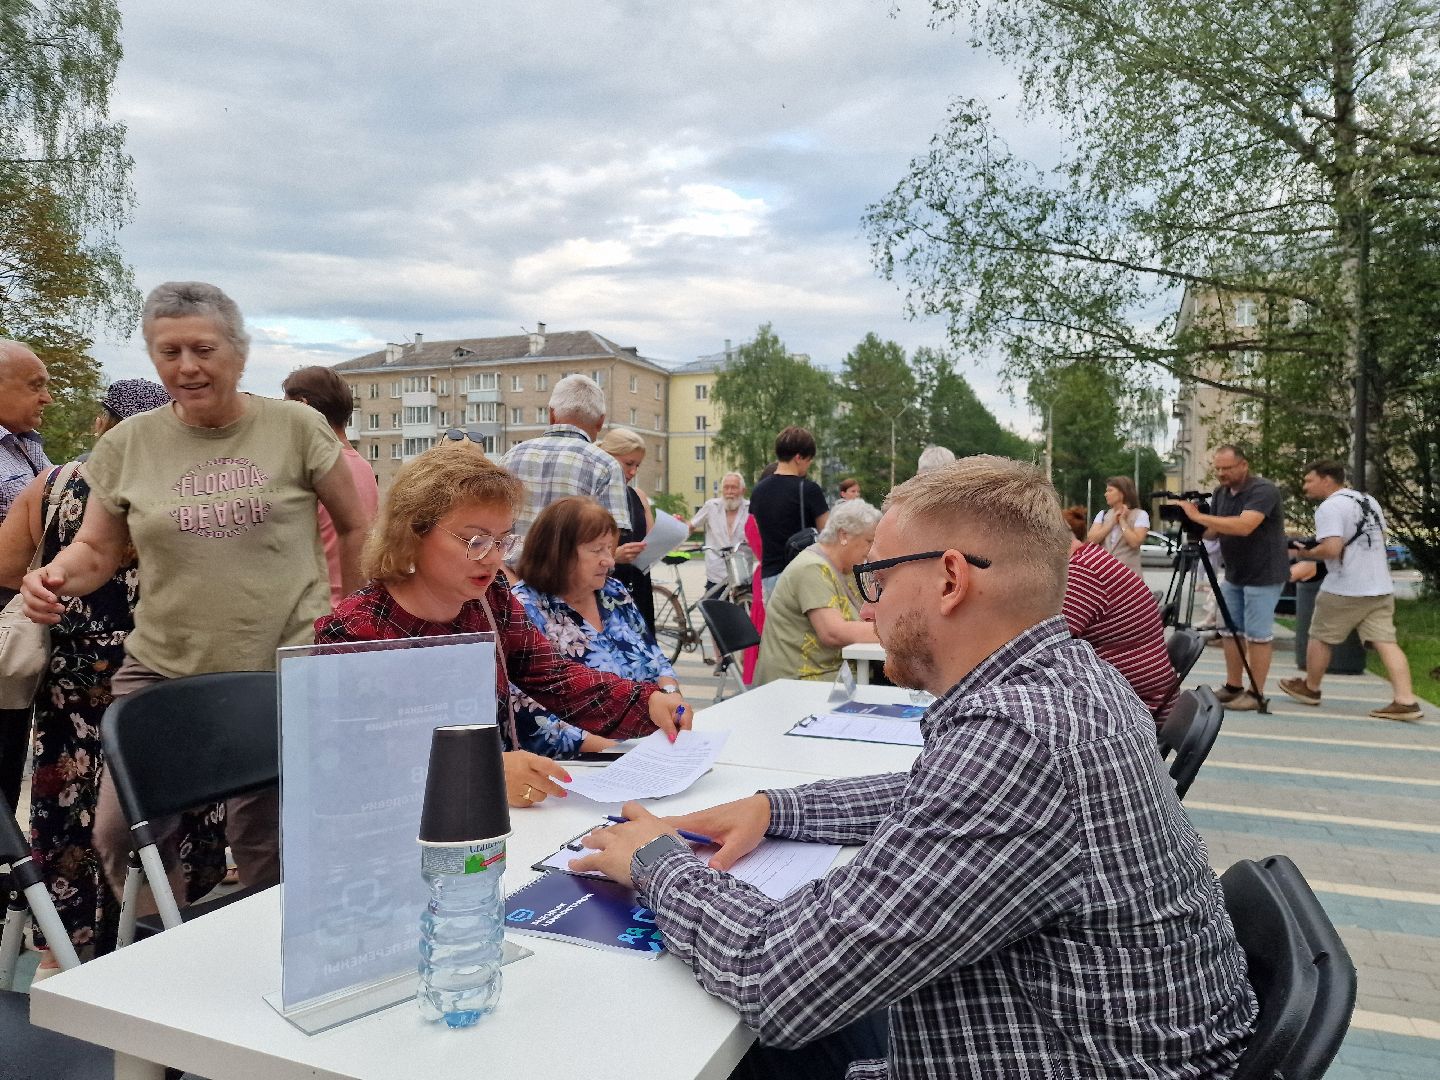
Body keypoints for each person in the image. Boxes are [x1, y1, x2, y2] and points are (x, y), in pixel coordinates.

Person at [574, 457, 1256, 1079]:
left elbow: (779, 978)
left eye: (877, 576)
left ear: (951, 578)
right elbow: (928, 794)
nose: (868, 607)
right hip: (1081, 1034)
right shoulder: (1073, 678)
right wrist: (777, 810)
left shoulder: (1015, 738)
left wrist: (654, 861)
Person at [20, 281, 370, 906]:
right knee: (121, 831)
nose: (187, 366)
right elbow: (98, 550)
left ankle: (272, 958)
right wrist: (52, 578)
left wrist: (354, 621)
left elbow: (354, 525)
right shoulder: (128, 444)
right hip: (162, 664)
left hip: (280, 664)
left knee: (264, 842)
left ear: (238, 352)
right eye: (168, 351)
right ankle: (175, 937)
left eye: (203, 349)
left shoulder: (294, 427)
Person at [314, 443, 690, 805]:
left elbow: (554, 676)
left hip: (492, 813)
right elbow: (356, 762)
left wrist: (647, 701)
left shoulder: (490, 599)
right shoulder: (356, 629)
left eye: (502, 540)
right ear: (412, 532)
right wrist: (483, 773)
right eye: (475, 539)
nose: (492, 558)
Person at [0, 379, 225, 968]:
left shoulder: (52, 483)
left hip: (75, 682)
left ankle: (61, 954)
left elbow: (3, 565)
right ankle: (156, 941)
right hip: (163, 678)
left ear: (102, 424)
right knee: (157, 809)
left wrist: (46, 573)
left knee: (70, 812)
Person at [511, 497, 683, 757]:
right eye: (597, 550)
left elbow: (656, 659)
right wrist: (617, 751)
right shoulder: (523, 608)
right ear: (559, 552)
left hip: (649, 747)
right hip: (580, 764)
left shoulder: (614, 592)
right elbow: (527, 711)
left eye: (610, 549)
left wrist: (673, 700)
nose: (610, 561)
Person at [1280, 460, 1421, 721]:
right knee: (1386, 642)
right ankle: (1406, 700)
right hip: (1379, 584)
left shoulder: (1330, 507)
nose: (1305, 486)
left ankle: (1311, 688)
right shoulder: (1368, 501)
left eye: (1309, 480)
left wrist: (1304, 552)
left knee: (1320, 635)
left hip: (1346, 586)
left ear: (1326, 479)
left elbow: (1332, 549)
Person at [1176, 444, 1289, 710]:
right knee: (1229, 630)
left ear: (1243, 465)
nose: (1221, 473)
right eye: (1218, 468)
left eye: (1227, 468)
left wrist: (1200, 516)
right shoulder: (1221, 493)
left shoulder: (1263, 490)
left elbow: (1245, 525)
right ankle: (1233, 685)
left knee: (1258, 635)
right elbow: (1214, 533)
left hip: (1264, 572)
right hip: (1235, 572)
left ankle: (1256, 693)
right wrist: (1192, 523)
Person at [0, 339, 54, 817]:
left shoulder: (26, 446)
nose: (48, 398)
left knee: (8, 745)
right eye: (36, 386)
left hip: (18, 615)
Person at [1062, 520, 1180, 726]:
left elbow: (1042, 641)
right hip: (1140, 697)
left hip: (1136, 709)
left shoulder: (1081, 571)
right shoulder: (1089, 558)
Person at [753, 499, 882, 685]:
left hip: (832, 676)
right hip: (799, 682)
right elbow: (833, 632)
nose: (871, 551)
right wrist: (893, 634)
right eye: (868, 541)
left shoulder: (845, 569)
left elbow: (869, 614)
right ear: (843, 535)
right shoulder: (812, 568)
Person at [282, 365, 381, 606]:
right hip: (351, 608)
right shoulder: (364, 468)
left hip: (314, 616)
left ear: (301, 407)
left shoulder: (312, 470)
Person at [500, 373, 628, 539]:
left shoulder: (511, 456)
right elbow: (610, 536)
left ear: (551, 414)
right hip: (572, 566)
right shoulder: (605, 466)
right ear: (601, 421)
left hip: (510, 564)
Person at [748, 426, 828, 600]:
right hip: (801, 576)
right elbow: (827, 535)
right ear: (799, 457)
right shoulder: (809, 490)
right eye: (809, 460)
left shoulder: (758, 491)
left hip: (769, 577)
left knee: (777, 627)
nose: (809, 465)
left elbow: (759, 530)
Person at [594, 426, 656, 635]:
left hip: (638, 585)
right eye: (628, 463)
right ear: (607, 457)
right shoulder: (594, 497)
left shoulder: (638, 496)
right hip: (607, 585)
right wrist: (615, 556)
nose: (633, 472)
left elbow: (652, 539)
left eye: (637, 465)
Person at [689, 472, 750, 595]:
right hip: (716, 572)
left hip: (742, 572)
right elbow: (691, 526)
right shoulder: (711, 506)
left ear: (743, 490)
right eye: (726, 487)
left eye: (734, 487)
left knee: (743, 611)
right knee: (713, 611)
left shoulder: (751, 509)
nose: (729, 491)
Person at [1086, 475, 1150, 574]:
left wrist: (1122, 521)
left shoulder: (1140, 515)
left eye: (1110, 490)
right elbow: (1091, 540)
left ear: (1123, 493)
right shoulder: (1103, 514)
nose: (1106, 494)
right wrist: (1111, 523)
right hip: (1103, 574)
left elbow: (1135, 542)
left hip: (1128, 576)